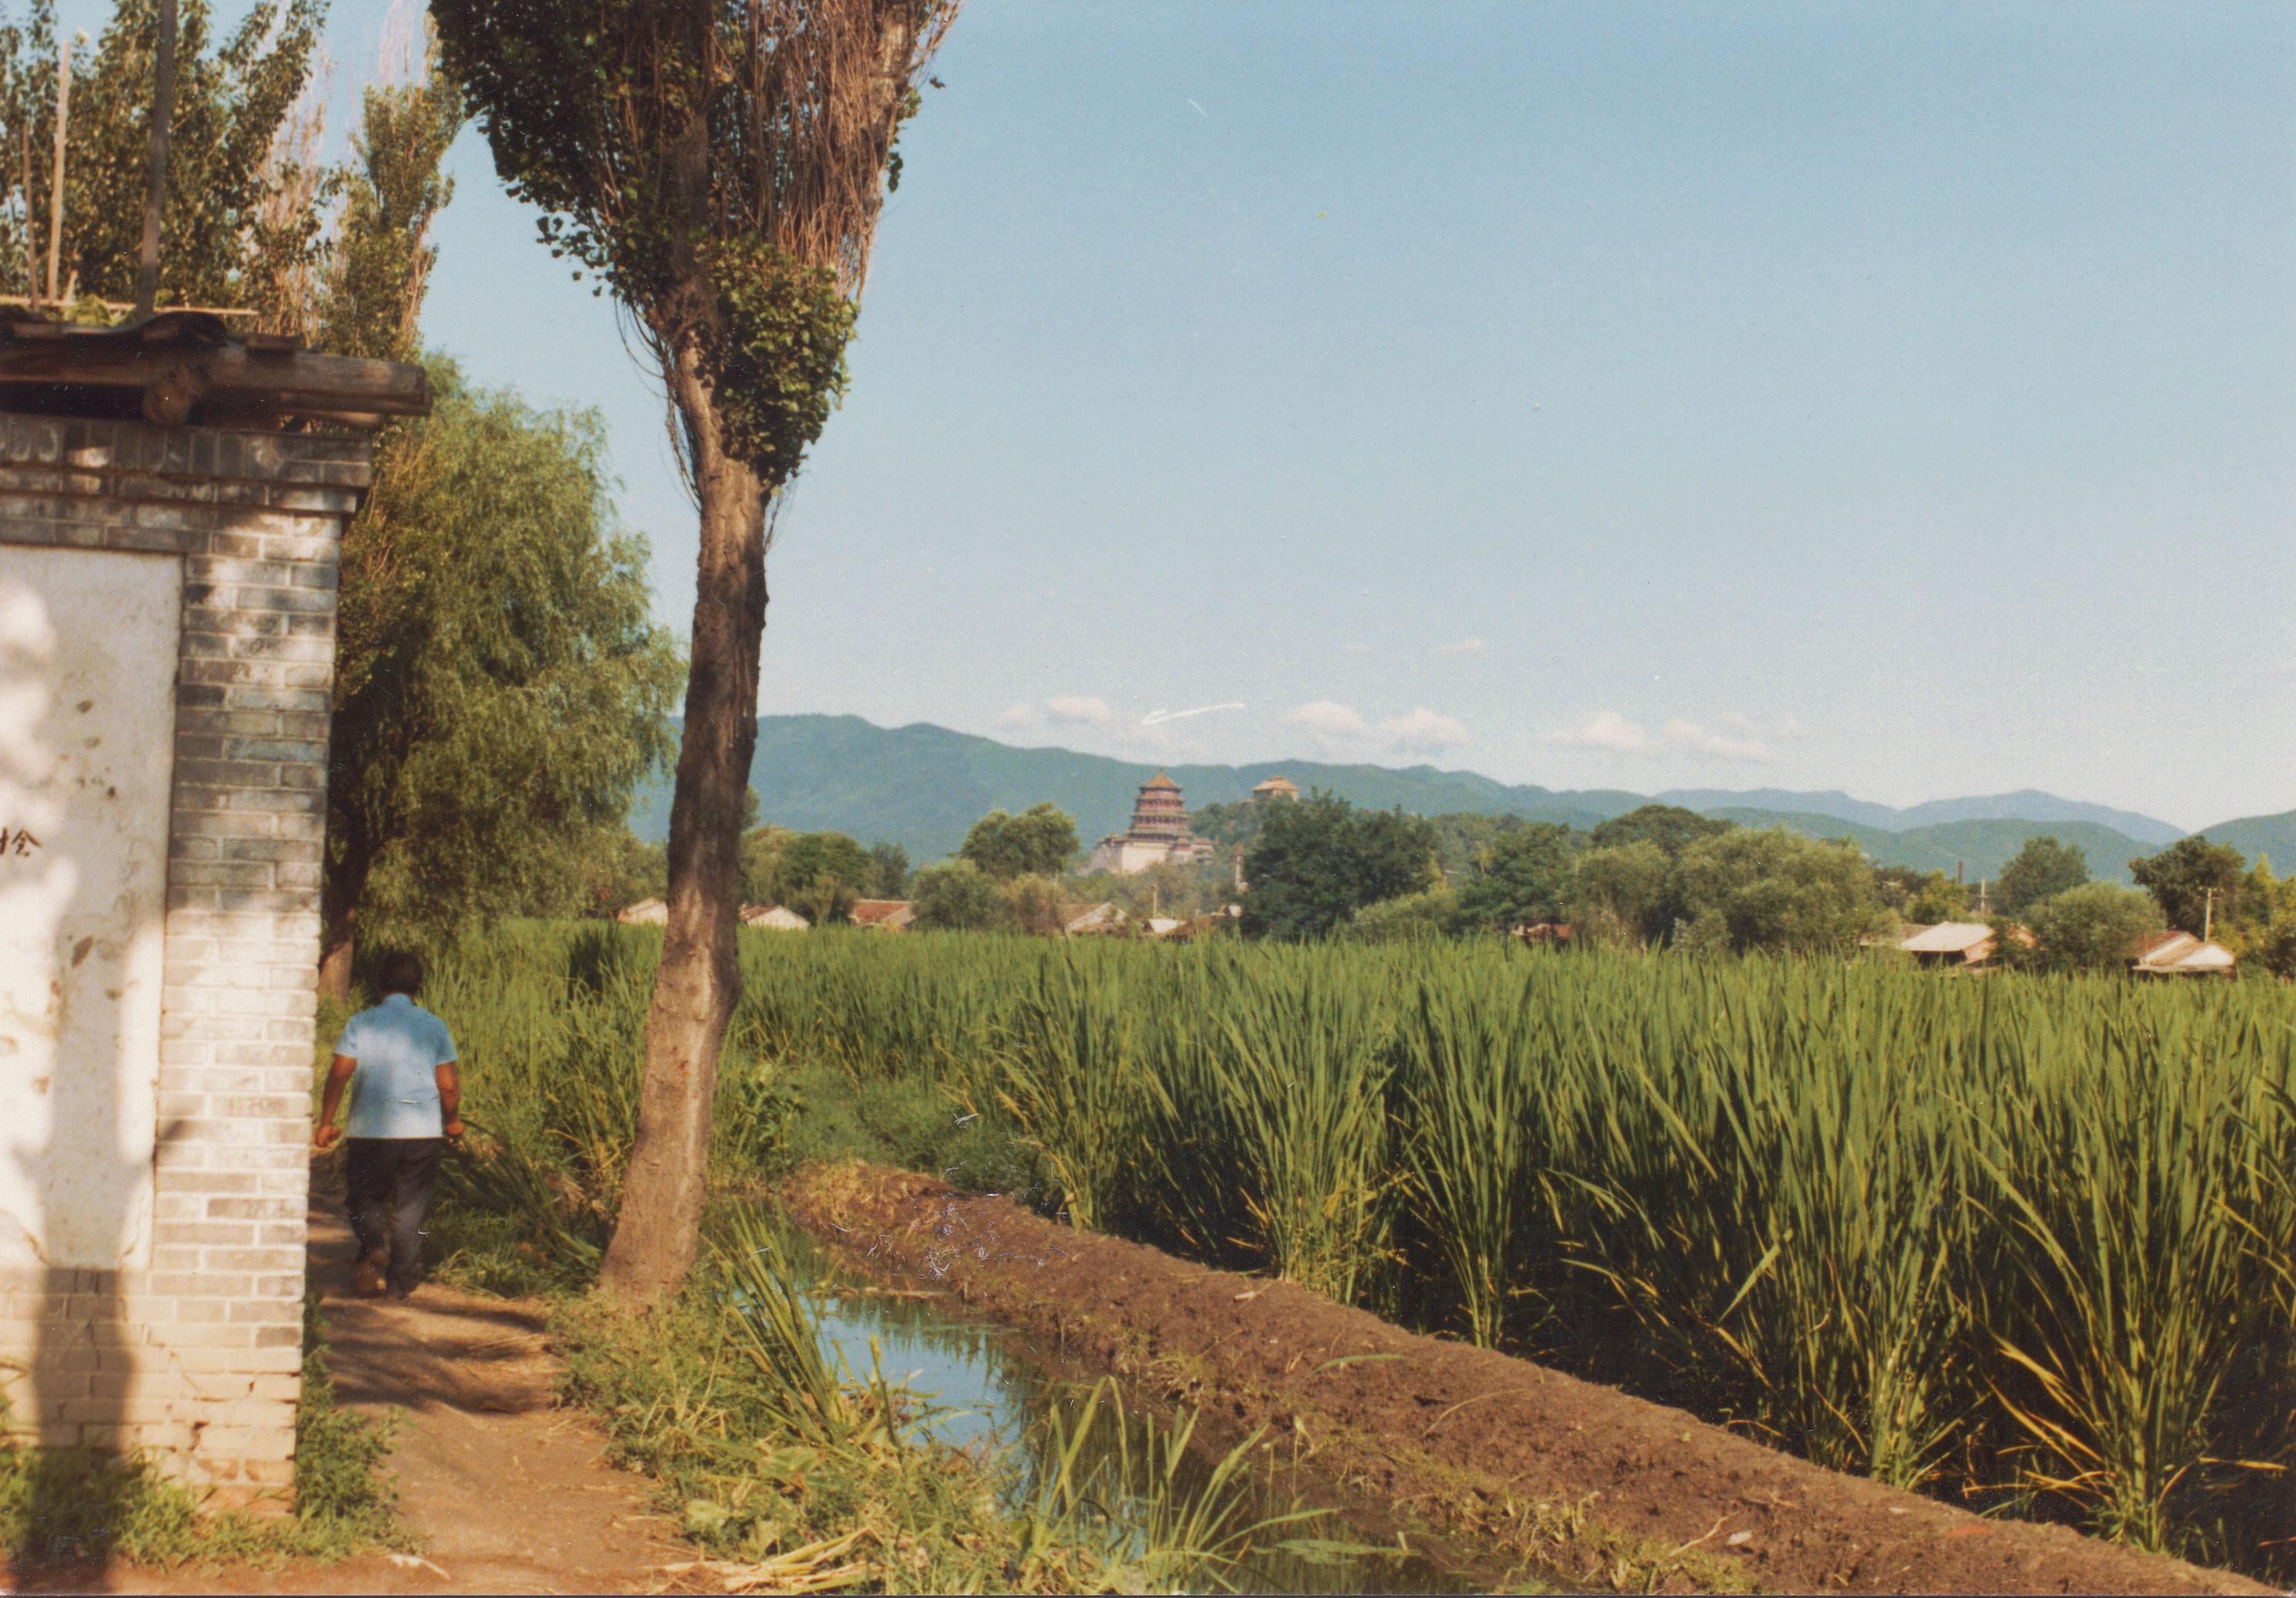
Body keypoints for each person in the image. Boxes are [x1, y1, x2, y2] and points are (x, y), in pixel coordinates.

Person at [313, 952, 462, 1299]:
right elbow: (449, 1085)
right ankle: (398, 1284)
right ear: (419, 987)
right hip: (422, 1132)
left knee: (365, 1199)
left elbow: (339, 1073)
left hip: (370, 1131)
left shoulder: (361, 1023)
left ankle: (371, 1250)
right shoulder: (434, 1026)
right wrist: (452, 1121)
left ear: (380, 985)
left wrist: (326, 1122)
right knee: (411, 1207)